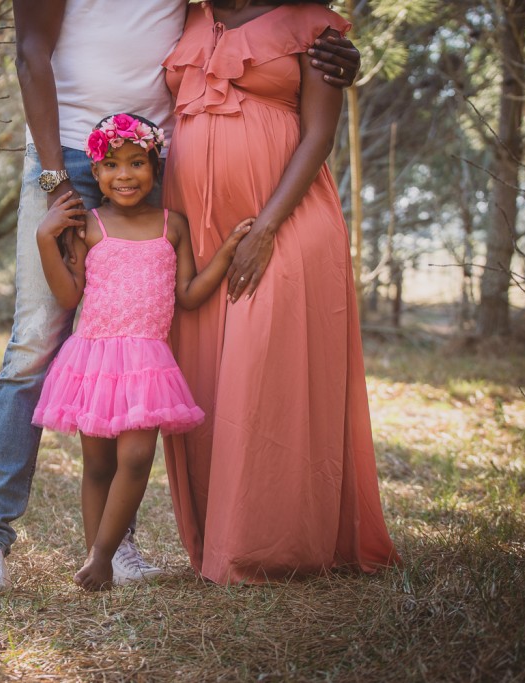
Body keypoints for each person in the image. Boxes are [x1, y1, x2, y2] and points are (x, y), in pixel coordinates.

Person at [0, 0, 361, 593]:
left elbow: (256, 32)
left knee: (139, 340)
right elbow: (29, 54)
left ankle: (115, 544)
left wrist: (337, 53)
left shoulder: (195, 5)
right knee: (34, 345)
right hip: (69, 157)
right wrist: (54, 178)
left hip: (156, 159)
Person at [161, 0, 401, 584]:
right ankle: (218, 539)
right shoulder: (184, 18)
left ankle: (268, 548)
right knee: (206, 385)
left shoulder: (312, 25)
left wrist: (266, 228)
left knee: (266, 381)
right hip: (199, 234)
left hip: (284, 222)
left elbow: (320, 134)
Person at [31, 114, 254, 590]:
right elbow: (69, 295)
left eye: (137, 163)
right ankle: (98, 563)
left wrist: (227, 251)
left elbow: (188, 295)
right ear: (96, 172)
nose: (124, 175)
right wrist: (44, 238)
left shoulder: (173, 226)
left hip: (147, 361)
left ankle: (104, 555)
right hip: (94, 359)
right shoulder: (89, 226)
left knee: (135, 458)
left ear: (155, 167)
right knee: (98, 466)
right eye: (111, 165)